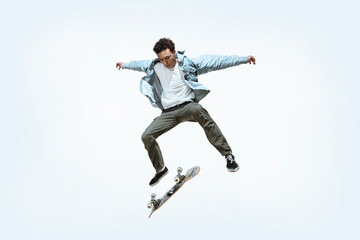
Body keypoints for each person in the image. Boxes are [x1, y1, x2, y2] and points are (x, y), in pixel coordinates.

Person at [116, 38, 256, 187]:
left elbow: (216, 62)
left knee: (199, 111)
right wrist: (124, 65)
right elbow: (138, 64)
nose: (165, 62)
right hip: (168, 113)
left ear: (174, 52)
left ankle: (228, 155)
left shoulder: (188, 63)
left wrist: (243, 59)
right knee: (146, 136)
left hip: (187, 107)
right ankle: (161, 169)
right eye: (162, 59)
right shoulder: (154, 66)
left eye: (168, 58)